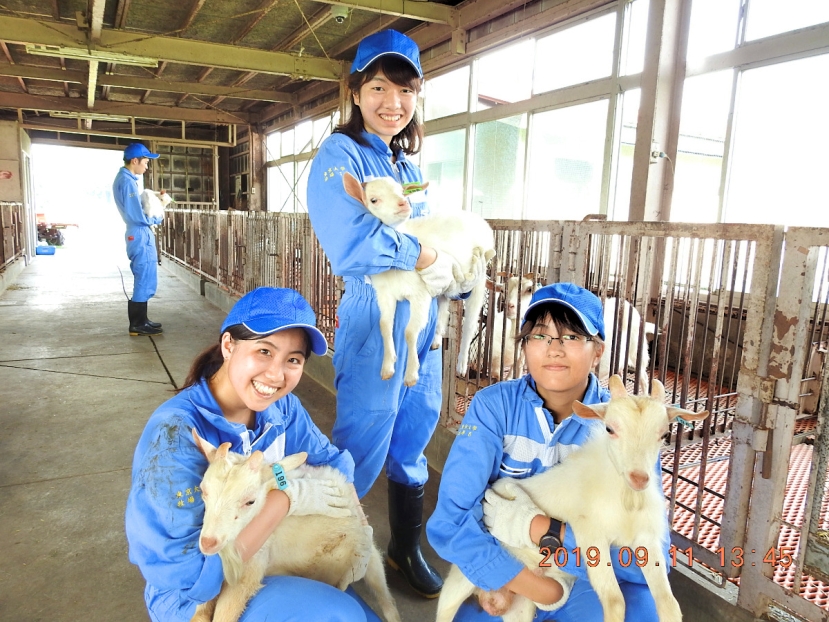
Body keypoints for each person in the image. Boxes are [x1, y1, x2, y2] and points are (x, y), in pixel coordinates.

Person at [306, 29, 481, 599]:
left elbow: (429, 239)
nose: (392, 103)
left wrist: (454, 276)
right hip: (372, 318)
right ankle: (328, 556)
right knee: (361, 441)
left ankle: (404, 546)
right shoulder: (341, 155)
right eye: (378, 87)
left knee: (412, 438)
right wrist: (427, 256)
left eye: (405, 90)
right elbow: (356, 245)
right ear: (356, 92)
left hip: (424, 325)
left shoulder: (405, 162)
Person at [125, 287, 382, 621]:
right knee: (339, 615)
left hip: (271, 558)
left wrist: (360, 528)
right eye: (264, 351)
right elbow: (192, 575)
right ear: (229, 345)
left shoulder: (281, 409)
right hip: (194, 599)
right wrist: (285, 499)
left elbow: (333, 464)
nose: (276, 375)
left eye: (293, 360)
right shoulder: (174, 436)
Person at [426, 283, 665, 621]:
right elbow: (450, 522)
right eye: (540, 336)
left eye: (570, 337)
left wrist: (545, 530)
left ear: (598, 350)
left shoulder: (626, 426)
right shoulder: (493, 408)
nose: (554, 349)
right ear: (524, 346)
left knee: (640, 611)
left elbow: (652, 562)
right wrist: (530, 585)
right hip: (506, 566)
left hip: (583, 576)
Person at [113, 142, 163, 336]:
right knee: (143, 274)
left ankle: (142, 320)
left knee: (146, 274)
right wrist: (156, 217)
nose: (147, 166)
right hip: (139, 231)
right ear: (135, 160)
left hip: (139, 232)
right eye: (145, 162)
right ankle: (137, 324)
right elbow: (136, 215)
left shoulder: (127, 179)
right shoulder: (127, 182)